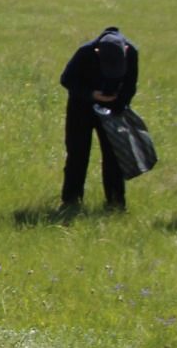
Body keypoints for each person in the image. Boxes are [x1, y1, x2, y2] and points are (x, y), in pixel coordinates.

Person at [58, 26, 138, 210]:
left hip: (113, 109)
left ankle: (116, 202)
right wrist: (92, 94)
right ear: (97, 52)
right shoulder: (85, 52)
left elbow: (130, 86)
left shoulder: (132, 52)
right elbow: (66, 79)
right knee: (77, 154)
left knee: (114, 156)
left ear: (125, 51)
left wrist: (118, 104)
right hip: (81, 107)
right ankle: (71, 200)